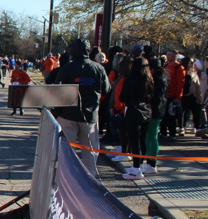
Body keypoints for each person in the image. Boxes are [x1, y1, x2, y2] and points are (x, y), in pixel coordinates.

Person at [52, 39, 110, 178]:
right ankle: (90, 178)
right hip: (90, 115)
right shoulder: (98, 68)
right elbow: (106, 89)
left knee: (67, 149)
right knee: (90, 149)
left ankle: (66, 177)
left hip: (68, 114)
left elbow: (57, 90)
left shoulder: (67, 68)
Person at [119, 57, 153, 180]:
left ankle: (136, 168)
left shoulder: (131, 79)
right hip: (147, 111)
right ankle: (141, 164)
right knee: (143, 140)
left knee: (134, 142)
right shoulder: (149, 79)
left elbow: (122, 97)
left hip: (133, 112)